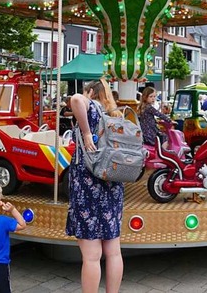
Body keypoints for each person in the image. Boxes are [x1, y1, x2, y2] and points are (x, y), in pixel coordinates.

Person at [65, 78, 124, 292]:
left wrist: (87, 132)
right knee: (114, 251)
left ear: (91, 91)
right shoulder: (114, 114)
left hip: (87, 185)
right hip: (112, 184)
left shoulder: (91, 106)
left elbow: (76, 100)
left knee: (91, 256)